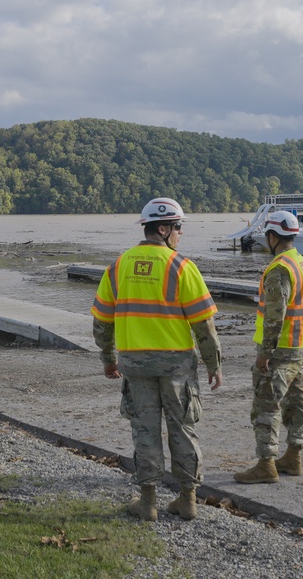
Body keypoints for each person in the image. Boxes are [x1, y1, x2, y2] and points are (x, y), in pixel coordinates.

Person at [91, 197, 222, 521]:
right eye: (178, 228)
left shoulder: (118, 266)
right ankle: (187, 499)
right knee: (183, 429)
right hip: (176, 365)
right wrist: (213, 364)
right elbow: (203, 325)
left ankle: (148, 502)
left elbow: (101, 322)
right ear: (163, 229)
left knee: (145, 431)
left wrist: (108, 359)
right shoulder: (181, 266)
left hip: (135, 365)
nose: (180, 234)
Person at [234, 210, 303, 484]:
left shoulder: (279, 269)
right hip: (301, 347)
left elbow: (274, 315)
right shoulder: (301, 262)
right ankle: (293, 458)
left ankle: (266, 464)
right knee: (297, 403)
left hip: (280, 350)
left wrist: (265, 353)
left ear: (272, 237)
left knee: (267, 405)